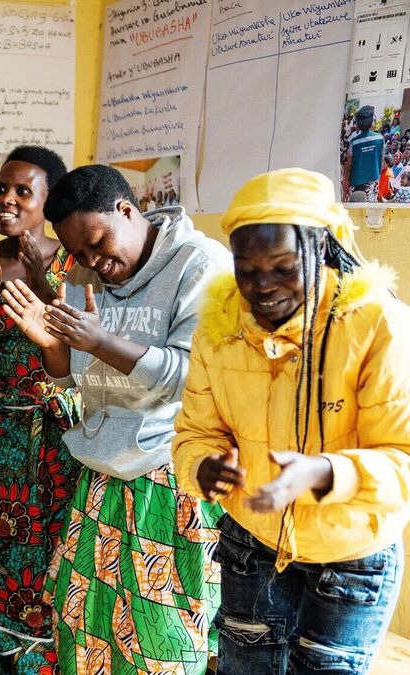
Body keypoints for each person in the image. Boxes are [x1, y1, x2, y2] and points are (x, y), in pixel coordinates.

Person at [173, 168, 410, 675]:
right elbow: (195, 432)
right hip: (251, 545)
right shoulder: (219, 328)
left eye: (283, 268)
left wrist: (325, 472)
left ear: (321, 249)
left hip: (350, 559)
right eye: (246, 270)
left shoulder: (376, 325)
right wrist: (202, 465)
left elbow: (403, 458)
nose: (262, 287)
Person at [0, 164, 230, 674]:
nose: (91, 262)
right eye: (77, 253)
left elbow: (195, 378)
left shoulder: (199, 264)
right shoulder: (83, 273)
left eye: (97, 243)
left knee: (161, 647)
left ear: (126, 210)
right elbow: (74, 379)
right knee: (84, 638)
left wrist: (101, 341)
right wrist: (54, 346)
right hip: (101, 478)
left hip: (170, 482)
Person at [0, 147, 81, 675]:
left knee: (54, 551)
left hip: (58, 439)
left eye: (23, 191)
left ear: (48, 202)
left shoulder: (75, 260)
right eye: (1, 188)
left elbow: (83, 353)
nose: (7, 199)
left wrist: (41, 281)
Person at [345, 105, 384, 202]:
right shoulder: (380, 138)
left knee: (355, 208)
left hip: (356, 182)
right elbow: (381, 160)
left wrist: (346, 181)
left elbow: (349, 165)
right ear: (372, 121)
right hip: (373, 181)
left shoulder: (354, 142)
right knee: (369, 208)